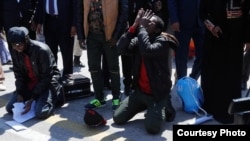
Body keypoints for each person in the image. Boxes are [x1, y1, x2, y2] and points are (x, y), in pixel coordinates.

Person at [113, 9, 177, 134]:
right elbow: (120, 49)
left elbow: (147, 50)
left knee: (152, 128)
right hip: (140, 92)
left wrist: (141, 28)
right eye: (146, 20)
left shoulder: (162, 42)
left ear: (158, 30)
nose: (146, 22)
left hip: (156, 95)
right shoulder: (140, 39)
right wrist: (134, 26)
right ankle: (144, 105)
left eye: (150, 22)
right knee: (117, 118)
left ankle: (164, 105)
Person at [200, 0, 250, 124]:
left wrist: (247, 38)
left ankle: (231, 110)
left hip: (235, 40)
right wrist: (212, 26)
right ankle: (212, 108)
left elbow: (247, 13)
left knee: (231, 76)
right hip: (215, 39)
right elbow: (202, 12)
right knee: (214, 74)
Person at [76, 0, 128, 111]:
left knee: (113, 67)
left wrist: (116, 35)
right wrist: (81, 35)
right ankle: (99, 98)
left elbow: (124, 13)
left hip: (110, 35)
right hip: (92, 36)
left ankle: (116, 97)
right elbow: (79, 12)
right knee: (93, 67)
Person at [5, 26, 63, 119]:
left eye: (19, 44)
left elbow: (46, 77)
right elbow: (18, 74)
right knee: (10, 108)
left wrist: (32, 99)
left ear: (26, 40)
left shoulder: (42, 50)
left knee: (40, 113)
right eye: (13, 45)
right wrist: (19, 92)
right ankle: (37, 100)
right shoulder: (15, 51)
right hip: (30, 83)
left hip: (47, 84)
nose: (17, 47)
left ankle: (53, 98)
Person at [34, 0, 77, 78]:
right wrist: (39, 22)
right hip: (48, 22)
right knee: (50, 53)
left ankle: (67, 78)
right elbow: (41, 5)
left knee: (67, 53)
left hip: (65, 23)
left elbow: (75, 6)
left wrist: (74, 25)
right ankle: (54, 77)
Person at [168, 0, 205, 80]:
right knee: (181, 56)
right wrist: (174, 19)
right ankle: (182, 82)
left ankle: (192, 80)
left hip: (201, 22)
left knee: (203, 55)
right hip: (182, 22)